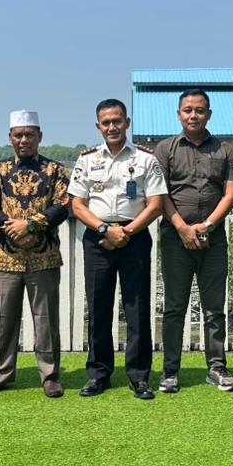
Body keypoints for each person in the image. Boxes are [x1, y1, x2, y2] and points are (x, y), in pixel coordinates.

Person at [68, 98, 167, 400]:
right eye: (106, 122)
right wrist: (105, 230)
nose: (112, 127)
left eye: (117, 121)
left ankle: (139, 376)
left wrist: (126, 232)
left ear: (127, 122)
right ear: (98, 126)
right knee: (98, 307)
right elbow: (77, 205)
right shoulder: (87, 160)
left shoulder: (145, 159)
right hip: (98, 238)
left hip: (134, 236)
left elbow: (156, 204)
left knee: (137, 308)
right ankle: (98, 374)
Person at [0, 110, 71, 399]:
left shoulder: (55, 170)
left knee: (46, 319)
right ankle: (1, 372)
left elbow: (62, 206)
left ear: (39, 137)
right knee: (4, 319)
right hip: (6, 257)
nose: (24, 140)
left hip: (44, 256)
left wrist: (30, 225)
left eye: (29, 134)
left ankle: (50, 375)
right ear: (10, 138)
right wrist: (13, 228)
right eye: (18, 135)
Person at [153, 89, 233, 393]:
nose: (193, 115)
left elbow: (230, 194)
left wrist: (208, 226)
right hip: (175, 238)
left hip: (213, 240)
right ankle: (170, 371)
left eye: (199, 110)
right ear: (179, 114)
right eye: (188, 110)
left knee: (214, 307)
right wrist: (182, 228)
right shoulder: (165, 149)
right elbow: (160, 193)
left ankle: (216, 368)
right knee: (175, 307)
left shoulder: (225, 150)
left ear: (209, 114)